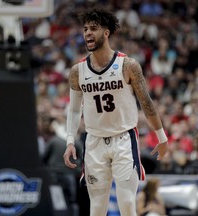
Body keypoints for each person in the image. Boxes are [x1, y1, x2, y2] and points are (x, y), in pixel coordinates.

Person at [63, 7, 168, 216]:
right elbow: (75, 111)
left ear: (106, 33)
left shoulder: (128, 65)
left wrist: (162, 137)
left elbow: (147, 104)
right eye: (85, 29)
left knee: (128, 204)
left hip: (124, 139)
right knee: (97, 207)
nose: (87, 33)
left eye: (93, 28)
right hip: (94, 141)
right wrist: (69, 141)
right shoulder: (77, 71)